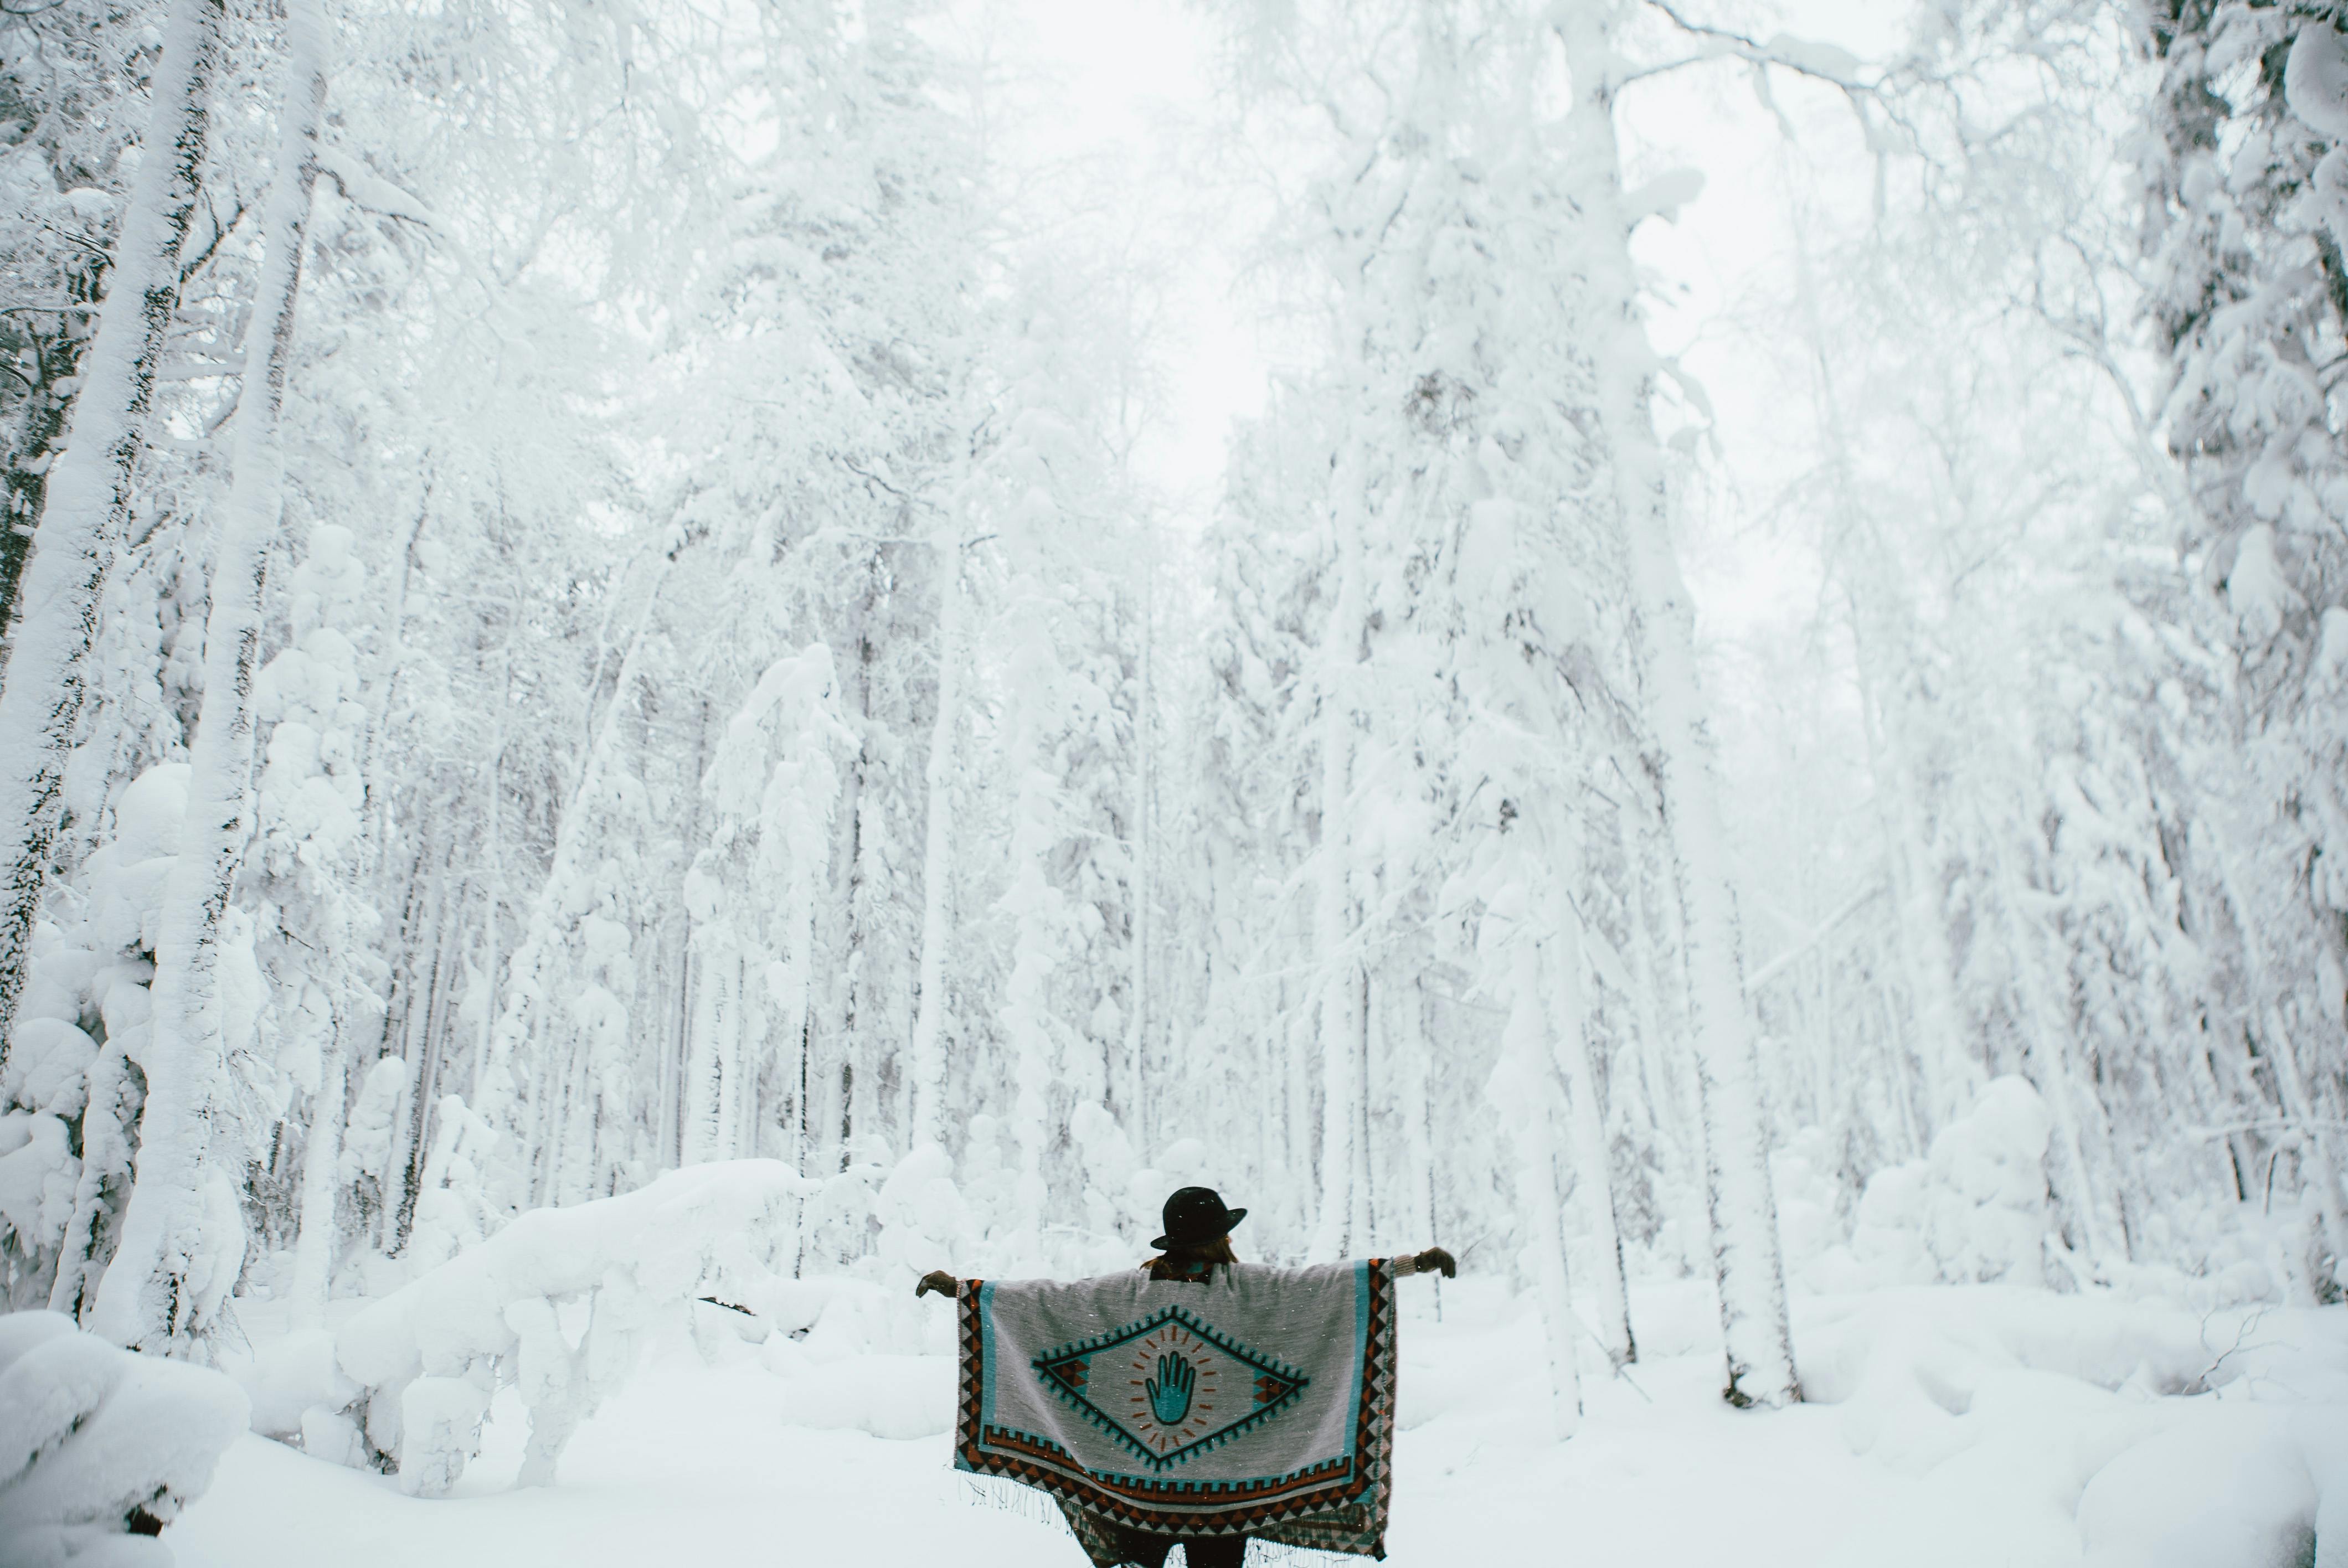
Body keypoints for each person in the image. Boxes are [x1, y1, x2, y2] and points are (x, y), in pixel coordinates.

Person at [917, 1187, 1455, 1568]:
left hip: (1133, 1492)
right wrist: (1410, 1264)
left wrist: (964, 1290)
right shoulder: (1249, 1292)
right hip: (1218, 1498)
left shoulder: (1128, 1294)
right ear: (1221, 1237)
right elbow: (1328, 1286)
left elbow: (1046, 1305)